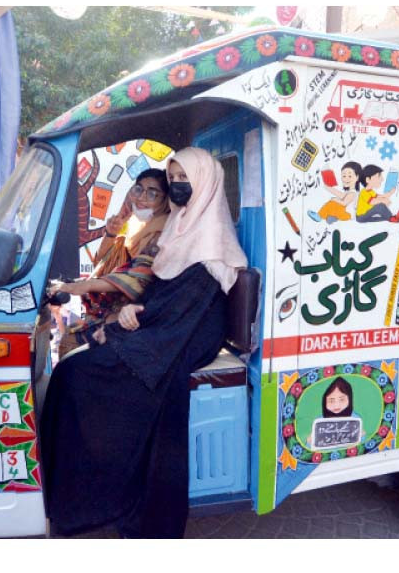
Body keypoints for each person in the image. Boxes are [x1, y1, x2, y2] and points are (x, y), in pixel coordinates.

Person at [40, 147, 248, 538]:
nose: (177, 187)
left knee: (77, 377)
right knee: (73, 370)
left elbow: (187, 306)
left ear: (205, 184)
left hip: (185, 336)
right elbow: (160, 293)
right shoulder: (179, 226)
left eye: (185, 179)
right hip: (167, 326)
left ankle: (94, 501)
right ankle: (76, 498)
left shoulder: (212, 241)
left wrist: (122, 325)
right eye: (174, 180)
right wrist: (129, 312)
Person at [52, 168, 171, 357]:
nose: (141, 198)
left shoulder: (162, 231)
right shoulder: (136, 226)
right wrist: (110, 234)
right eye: (138, 189)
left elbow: (138, 279)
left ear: (165, 200)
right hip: (121, 309)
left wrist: (82, 286)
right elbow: (105, 264)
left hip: (144, 314)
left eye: (152, 193)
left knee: (71, 341)